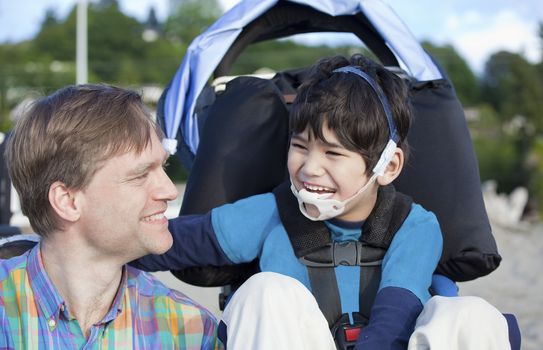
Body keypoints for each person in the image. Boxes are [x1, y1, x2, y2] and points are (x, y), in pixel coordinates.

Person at [133, 55, 516, 349]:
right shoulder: (271, 214)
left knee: (473, 314)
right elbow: (173, 241)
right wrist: (99, 242)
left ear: (388, 165)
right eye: (299, 146)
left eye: (333, 154)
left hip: (389, 340)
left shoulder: (414, 226)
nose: (309, 168)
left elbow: (394, 317)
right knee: (264, 290)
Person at [0, 84, 222, 349]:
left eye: (163, 167)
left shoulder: (189, 332)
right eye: (141, 175)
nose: (169, 191)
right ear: (68, 201)